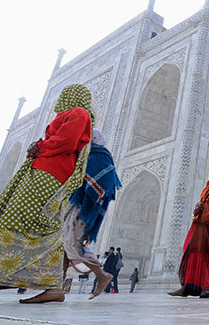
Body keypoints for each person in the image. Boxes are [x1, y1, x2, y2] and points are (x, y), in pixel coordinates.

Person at [0, 84, 94, 304]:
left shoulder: (78, 113)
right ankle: (53, 288)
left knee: (9, 224)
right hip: (44, 171)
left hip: (48, 174)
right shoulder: (72, 115)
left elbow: (67, 142)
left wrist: (40, 146)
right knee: (41, 229)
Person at [63, 128, 121, 298]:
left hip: (85, 207)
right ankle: (56, 285)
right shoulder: (87, 154)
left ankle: (101, 275)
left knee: (73, 242)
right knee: (64, 243)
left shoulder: (100, 155)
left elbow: (103, 186)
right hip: (76, 202)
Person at [169, 162, 209, 298]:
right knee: (193, 253)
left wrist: (201, 213)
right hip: (201, 223)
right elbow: (204, 204)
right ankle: (189, 286)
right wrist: (198, 209)